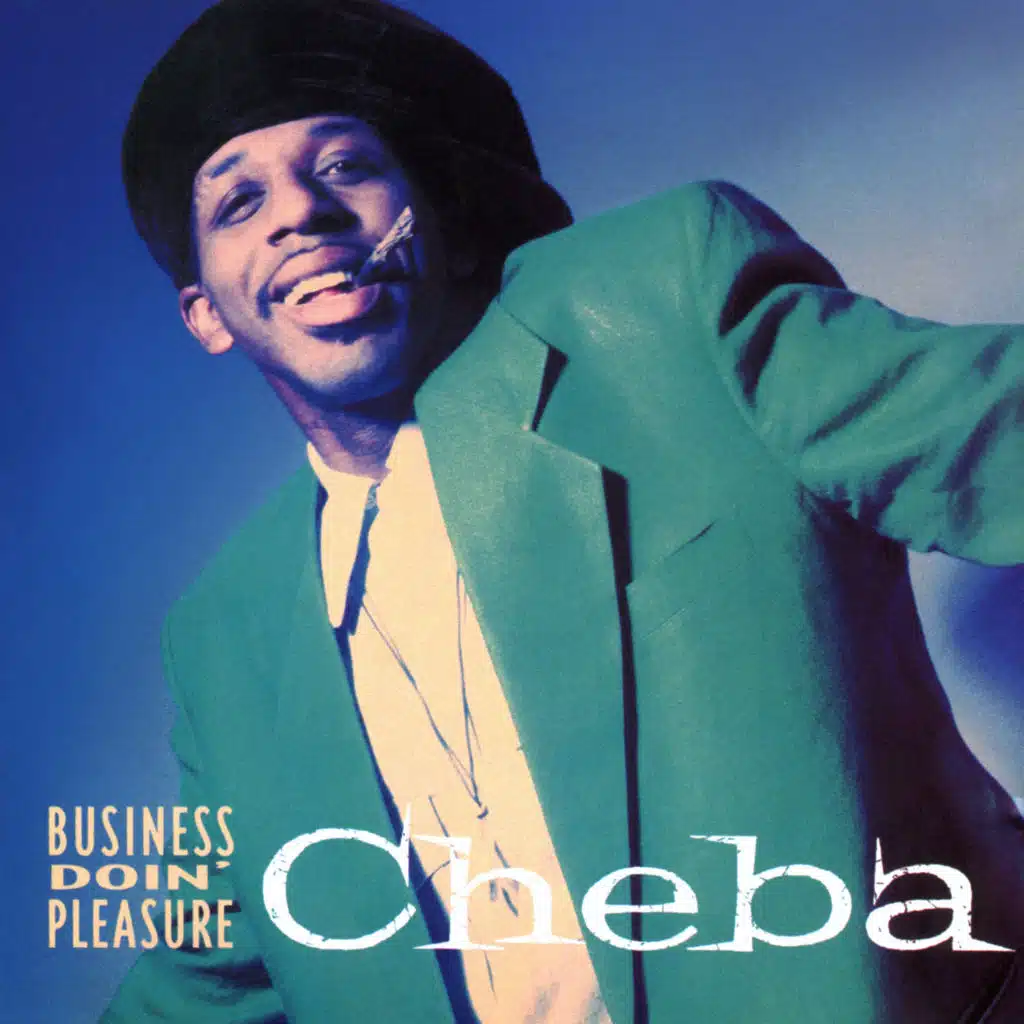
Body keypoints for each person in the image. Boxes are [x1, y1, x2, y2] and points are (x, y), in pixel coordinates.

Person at [103, 0, 1024, 1020]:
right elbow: (204, 972)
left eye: (345, 166)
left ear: (439, 224)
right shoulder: (221, 635)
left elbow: (992, 425)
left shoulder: (663, 306)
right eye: (238, 202)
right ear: (207, 315)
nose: (299, 213)